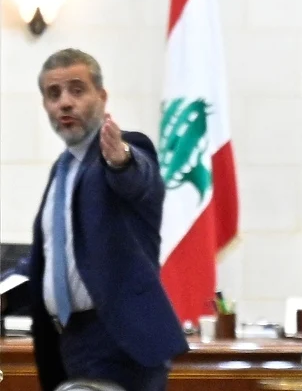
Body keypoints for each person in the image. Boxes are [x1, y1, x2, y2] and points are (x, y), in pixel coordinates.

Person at [28, 49, 188, 391]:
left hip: (121, 340)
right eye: (54, 94)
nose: (65, 102)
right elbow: (52, 255)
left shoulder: (124, 148)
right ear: (45, 105)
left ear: (101, 96)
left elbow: (138, 179)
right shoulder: (61, 171)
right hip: (68, 343)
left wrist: (121, 159)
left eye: (77, 90)